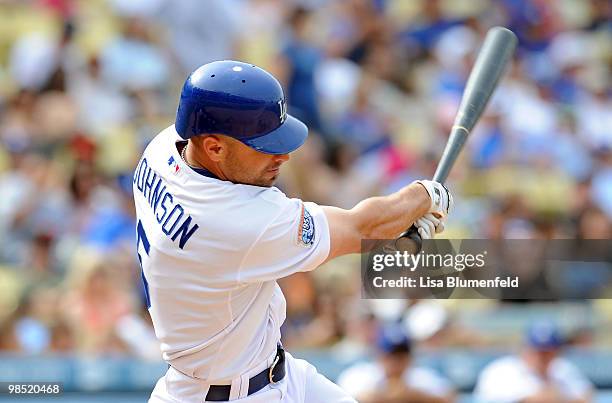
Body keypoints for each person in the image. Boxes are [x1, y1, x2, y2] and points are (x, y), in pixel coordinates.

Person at [132, 60, 452, 403]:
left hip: (268, 370)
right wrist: (424, 195)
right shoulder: (236, 221)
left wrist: (398, 227)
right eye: (262, 145)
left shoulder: (163, 148)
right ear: (213, 147)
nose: (283, 155)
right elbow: (362, 227)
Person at [474, 321, 593, 403]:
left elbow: (585, 396)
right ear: (525, 347)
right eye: (537, 350)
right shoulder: (500, 370)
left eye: (548, 350)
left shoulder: (564, 368)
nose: (541, 356)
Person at [337, 322, 456, 403]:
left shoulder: (421, 377)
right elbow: (343, 399)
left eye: (401, 356)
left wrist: (411, 394)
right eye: (391, 356)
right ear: (379, 355)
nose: (395, 361)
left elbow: (449, 398)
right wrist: (386, 395)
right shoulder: (360, 375)